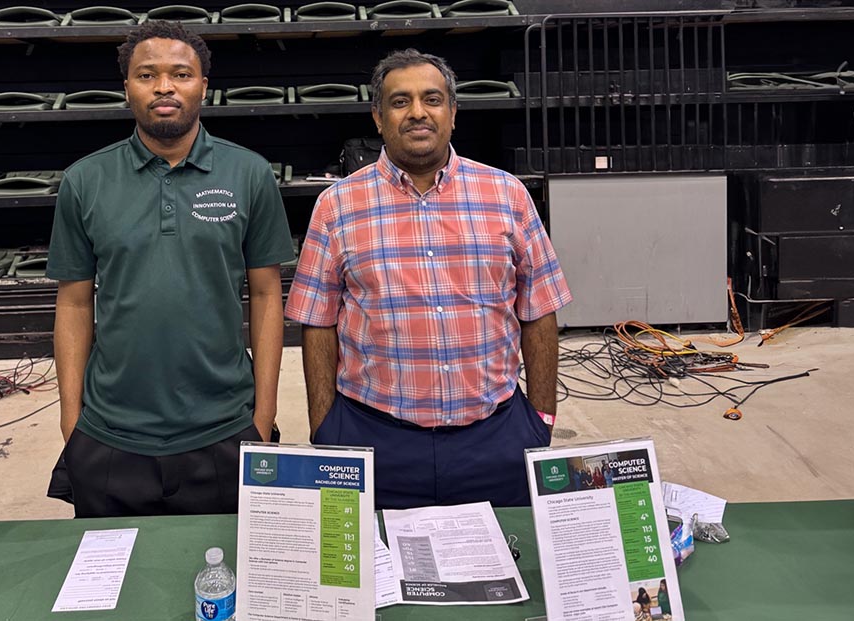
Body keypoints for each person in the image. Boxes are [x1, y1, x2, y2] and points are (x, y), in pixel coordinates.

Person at [285, 49, 571, 509]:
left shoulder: (507, 195)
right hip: (373, 439)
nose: (418, 112)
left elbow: (538, 310)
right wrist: (325, 426)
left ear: (453, 113)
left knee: (502, 569)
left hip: (495, 437)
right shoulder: (337, 206)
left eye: (432, 99)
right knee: (375, 577)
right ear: (378, 118)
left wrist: (540, 418)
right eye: (400, 101)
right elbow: (316, 321)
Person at [46, 21, 296, 518]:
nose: (164, 87)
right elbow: (74, 302)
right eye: (147, 75)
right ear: (127, 88)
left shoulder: (249, 173)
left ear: (204, 85)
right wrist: (71, 422)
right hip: (109, 431)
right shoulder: (84, 180)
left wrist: (262, 418)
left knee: (223, 579)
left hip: (225, 426)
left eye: (181, 74)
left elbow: (267, 296)